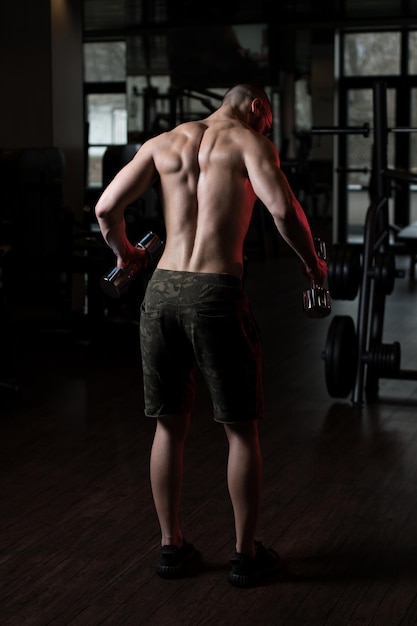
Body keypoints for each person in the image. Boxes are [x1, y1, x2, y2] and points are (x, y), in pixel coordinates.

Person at [95, 83, 328, 588]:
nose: (267, 132)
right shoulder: (249, 143)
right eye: (267, 124)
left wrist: (125, 254)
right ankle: (245, 555)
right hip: (216, 293)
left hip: (160, 292)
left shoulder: (163, 142)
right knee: (240, 430)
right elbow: (284, 212)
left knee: (167, 426)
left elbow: (105, 209)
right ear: (258, 109)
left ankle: (170, 546)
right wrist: (314, 268)